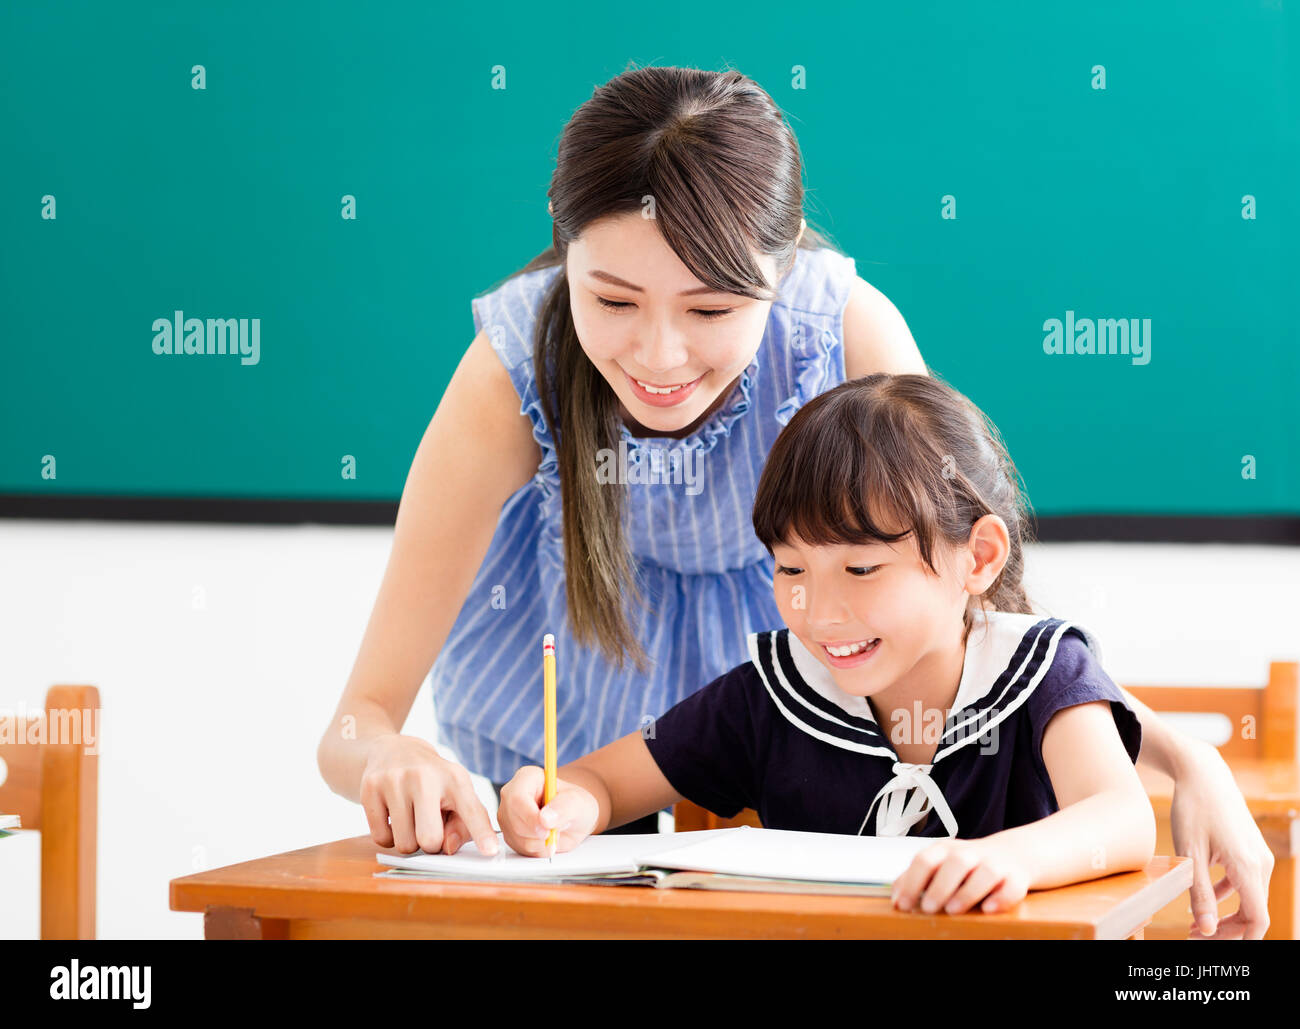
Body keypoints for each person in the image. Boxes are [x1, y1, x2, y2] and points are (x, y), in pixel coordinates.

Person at [317, 64, 1273, 938]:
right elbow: (354, 724)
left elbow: (985, 635)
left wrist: (1186, 758)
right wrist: (395, 758)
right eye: (611, 301)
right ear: (564, 258)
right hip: (548, 780)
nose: (657, 356)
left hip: (792, 791)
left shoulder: (844, 338)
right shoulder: (512, 365)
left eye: (711, 309)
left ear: (782, 277)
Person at [498, 373, 1159, 915]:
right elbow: (602, 783)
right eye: (790, 569)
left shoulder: (1045, 673)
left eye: (862, 568)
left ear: (978, 557)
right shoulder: (774, 692)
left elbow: (1123, 818)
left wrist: (1013, 857)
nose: (817, 611)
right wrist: (563, 798)